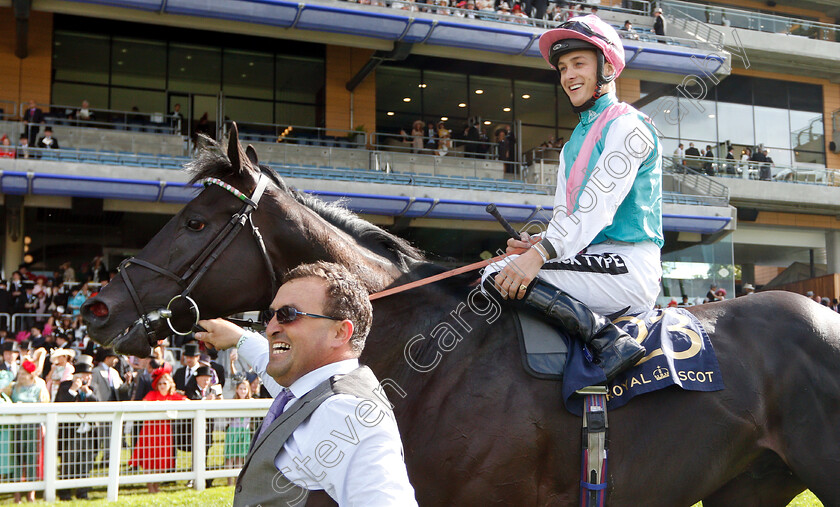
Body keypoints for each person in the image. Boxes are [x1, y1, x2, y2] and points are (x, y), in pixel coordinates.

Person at [482, 15, 662, 382]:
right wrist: (536, 243)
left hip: (630, 266)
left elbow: (597, 208)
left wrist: (540, 255)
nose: (568, 75)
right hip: (594, 261)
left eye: (579, 63)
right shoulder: (571, 146)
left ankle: (608, 340)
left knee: (496, 273)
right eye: (563, 68)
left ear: (607, 67)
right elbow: (566, 219)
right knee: (501, 269)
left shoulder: (630, 127)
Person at [195, 261, 416, 506]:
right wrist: (239, 337)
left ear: (340, 333)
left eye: (288, 315)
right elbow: (269, 365)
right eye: (271, 315)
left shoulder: (344, 412)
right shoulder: (310, 387)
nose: (269, 329)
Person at [129, 370, 187, 494]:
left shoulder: (173, 396)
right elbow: (143, 404)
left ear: (170, 384)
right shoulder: (151, 394)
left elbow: (186, 402)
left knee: (161, 458)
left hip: (164, 432)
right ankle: (150, 486)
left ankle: (156, 484)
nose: (162, 386)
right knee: (149, 459)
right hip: (149, 431)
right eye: (160, 383)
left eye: (164, 383)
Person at [55, 359, 98, 501]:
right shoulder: (65, 386)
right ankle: (64, 493)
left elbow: (99, 403)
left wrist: (89, 393)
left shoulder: (92, 388)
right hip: (71, 433)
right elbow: (61, 403)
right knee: (69, 463)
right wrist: (73, 390)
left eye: (89, 375)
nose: (88, 378)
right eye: (85, 375)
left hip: (88, 433)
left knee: (85, 463)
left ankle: (82, 492)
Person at [224, 378, 253, 486]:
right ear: (237, 390)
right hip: (233, 431)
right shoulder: (233, 402)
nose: (243, 391)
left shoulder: (251, 402)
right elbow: (227, 417)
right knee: (230, 456)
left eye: (245, 389)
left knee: (240, 457)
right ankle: (229, 482)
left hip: (244, 431)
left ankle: (238, 481)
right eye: (240, 388)